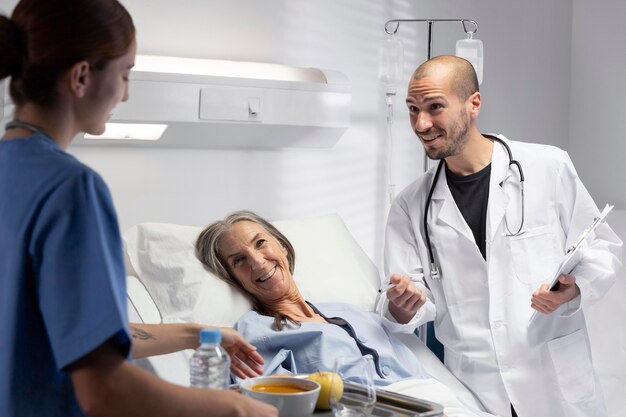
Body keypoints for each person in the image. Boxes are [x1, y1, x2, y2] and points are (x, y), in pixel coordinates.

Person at [0, 1, 277, 416]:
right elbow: (104, 388)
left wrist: (198, 333)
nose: (126, 93)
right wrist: (232, 409)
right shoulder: (71, 188)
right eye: (125, 74)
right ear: (81, 76)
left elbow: (77, 335)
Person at [383, 55, 622, 417]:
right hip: (475, 388)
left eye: (435, 107)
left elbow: (602, 250)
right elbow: (408, 304)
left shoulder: (547, 167)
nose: (421, 123)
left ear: (473, 103)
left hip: (553, 379)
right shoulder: (409, 206)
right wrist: (403, 304)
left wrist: (573, 289)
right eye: (413, 109)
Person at [195, 210, 498, 417]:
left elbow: (397, 329)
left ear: (283, 247)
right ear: (233, 278)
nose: (258, 262)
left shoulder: (348, 310)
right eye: (239, 260)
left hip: (439, 402)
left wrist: (400, 307)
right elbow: (275, 402)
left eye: (261, 244)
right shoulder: (253, 330)